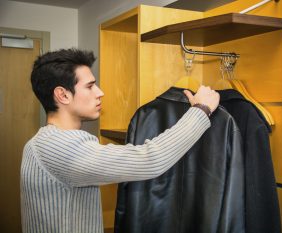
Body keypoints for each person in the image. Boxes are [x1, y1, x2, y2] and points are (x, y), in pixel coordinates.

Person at [20, 48, 219, 233]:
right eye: (90, 86)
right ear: (62, 95)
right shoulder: (61, 148)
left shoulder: (39, 143)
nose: (100, 92)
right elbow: (151, 160)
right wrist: (201, 110)